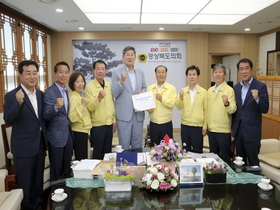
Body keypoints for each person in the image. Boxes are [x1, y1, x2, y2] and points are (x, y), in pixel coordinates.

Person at [3, 60, 47, 210]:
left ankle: (38, 205)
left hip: (39, 144)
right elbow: (8, 119)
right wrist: (18, 102)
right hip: (23, 147)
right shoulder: (12, 96)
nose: (32, 76)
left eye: (35, 73)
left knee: (37, 180)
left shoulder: (40, 94)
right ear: (20, 75)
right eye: (28, 73)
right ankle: (28, 207)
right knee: (25, 184)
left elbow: (41, 119)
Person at [232, 58, 269, 166]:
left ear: (251, 70)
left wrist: (257, 99)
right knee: (240, 162)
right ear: (238, 72)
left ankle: (256, 182)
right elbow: (236, 110)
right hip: (239, 132)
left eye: (246, 68)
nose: (244, 72)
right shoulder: (236, 87)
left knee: (253, 163)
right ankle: (242, 183)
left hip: (252, 133)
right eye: (241, 69)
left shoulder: (260, 86)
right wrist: (233, 128)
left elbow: (265, 109)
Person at [112, 46, 147, 149]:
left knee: (137, 144)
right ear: (123, 57)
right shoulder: (116, 72)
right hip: (123, 114)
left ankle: (138, 164)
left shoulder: (140, 72)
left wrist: (143, 92)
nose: (130, 57)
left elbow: (144, 87)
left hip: (138, 113)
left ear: (135, 57)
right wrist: (121, 82)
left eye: (132, 55)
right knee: (124, 145)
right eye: (127, 55)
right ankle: (124, 165)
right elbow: (114, 93)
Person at [43, 61, 73, 181]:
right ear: (55, 73)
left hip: (67, 136)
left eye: (66, 72)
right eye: (61, 72)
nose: (64, 75)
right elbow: (46, 115)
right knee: (56, 170)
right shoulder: (49, 92)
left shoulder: (66, 90)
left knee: (67, 168)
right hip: (55, 138)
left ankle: (66, 194)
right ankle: (54, 196)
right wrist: (55, 107)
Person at [86, 60, 116, 158]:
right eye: (98, 69)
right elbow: (89, 107)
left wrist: (114, 120)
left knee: (108, 153)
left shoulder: (109, 85)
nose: (100, 71)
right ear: (93, 71)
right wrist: (98, 98)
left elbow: (112, 104)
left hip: (109, 124)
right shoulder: (89, 87)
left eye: (103, 69)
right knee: (98, 153)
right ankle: (96, 173)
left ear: (105, 71)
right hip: (97, 125)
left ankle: (107, 173)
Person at [207, 64, 237, 158]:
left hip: (223, 130)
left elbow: (233, 109)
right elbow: (206, 110)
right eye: (215, 72)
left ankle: (227, 173)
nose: (217, 74)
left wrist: (227, 103)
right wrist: (206, 126)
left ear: (225, 75)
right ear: (212, 75)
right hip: (211, 129)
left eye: (220, 72)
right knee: (213, 156)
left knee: (225, 157)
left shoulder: (229, 90)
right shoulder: (210, 90)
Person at [176, 65, 207, 151]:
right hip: (185, 126)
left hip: (198, 126)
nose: (192, 77)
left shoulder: (204, 92)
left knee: (197, 150)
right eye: (189, 74)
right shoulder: (182, 91)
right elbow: (178, 106)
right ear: (187, 76)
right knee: (186, 150)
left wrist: (205, 126)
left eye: (194, 74)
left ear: (198, 76)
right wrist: (181, 97)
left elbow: (206, 110)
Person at [147, 65, 176, 145]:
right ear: (155, 74)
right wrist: (147, 108)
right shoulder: (150, 88)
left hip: (166, 124)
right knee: (154, 148)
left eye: (163, 72)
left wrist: (162, 99)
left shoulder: (171, 88)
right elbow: (147, 104)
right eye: (159, 72)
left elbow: (172, 104)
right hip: (153, 124)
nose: (161, 74)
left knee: (167, 148)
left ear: (166, 74)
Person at [68, 72, 91, 160]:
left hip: (83, 131)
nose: (80, 84)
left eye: (82, 81)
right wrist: (82, 105)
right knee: (81, 160)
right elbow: (72, 117)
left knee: (83, 159)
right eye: (77, 81)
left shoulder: (79, 95)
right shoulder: (73, 97)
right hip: (78, 132)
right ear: (72, 83)